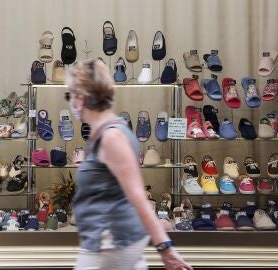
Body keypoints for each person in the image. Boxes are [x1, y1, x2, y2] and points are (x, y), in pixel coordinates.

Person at [66, 58, 192, 270]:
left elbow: (138, 197)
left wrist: (166, 248)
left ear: (80, 97)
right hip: (113, 241)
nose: (69, 102)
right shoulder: (107, 131)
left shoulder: (111, 137)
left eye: (68, 95)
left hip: (108, 243)